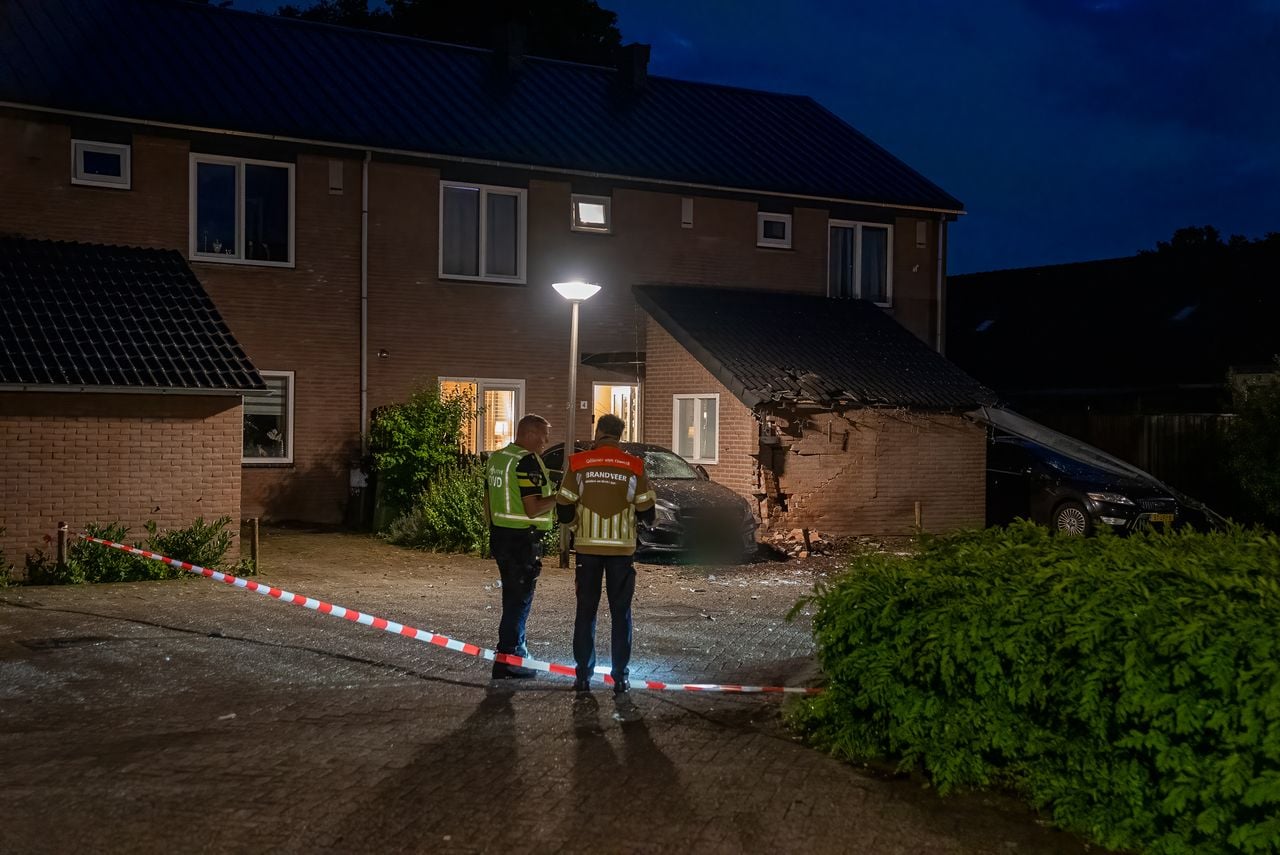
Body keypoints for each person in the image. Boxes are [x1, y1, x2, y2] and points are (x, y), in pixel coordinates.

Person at [556, 413, 656, 694]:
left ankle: (583, 676)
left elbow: (563, 506)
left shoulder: (579, 463)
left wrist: (575, 522)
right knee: (621, 613)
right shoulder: (634, 466)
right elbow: (648, 512)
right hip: (622, 551)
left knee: (586, 612)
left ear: (598, 432)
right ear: (620, 435)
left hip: (587, 549)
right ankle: (620, 677)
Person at [485, 413, 556, 679]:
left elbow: (487, 503)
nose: (546, 442)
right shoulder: (527, 461)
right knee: (518, 601)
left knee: (511, 599)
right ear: (529, 434)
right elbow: (533, 507)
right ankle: (510, 657)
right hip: (522, 541)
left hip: (501, 536)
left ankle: (512, 653)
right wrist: (560, 497)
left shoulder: (498, 458)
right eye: (543, 435)